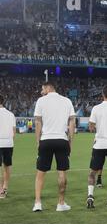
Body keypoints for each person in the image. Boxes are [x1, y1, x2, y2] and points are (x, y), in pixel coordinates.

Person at [32, 82, 76, 212]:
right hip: (61, 140)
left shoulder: (41, 101)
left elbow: (38, 122)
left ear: (47, 88)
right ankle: (60, 204)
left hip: (46, 139)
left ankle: (38, 203)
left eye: (42, 89)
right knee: (62, 172)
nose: (41, 91)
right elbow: (72, 122)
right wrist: (70, 141)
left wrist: (38, 141)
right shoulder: (67, 101)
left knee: (40, 173)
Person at [0, 95, 16, 199]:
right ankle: (4, 188)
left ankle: (0, 189)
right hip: (8, 143)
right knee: (7, 165)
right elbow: (14, 131)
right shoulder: (11, 114)